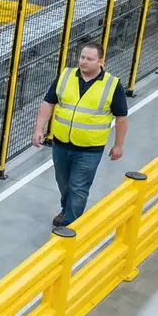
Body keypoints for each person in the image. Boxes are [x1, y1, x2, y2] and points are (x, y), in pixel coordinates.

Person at [33, 41, 128, 228]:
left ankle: (70, 226)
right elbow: (48, 103)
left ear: (100, 61)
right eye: (82, 57)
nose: (84, 62)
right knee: (64, 183)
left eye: (89, 59)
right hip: (61, 144)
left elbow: (121, 118)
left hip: (89, 150)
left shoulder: (112, 85)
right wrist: (39, 129)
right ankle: (67, 209)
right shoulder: (66, 76)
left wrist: (118, 145)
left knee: (78, 187)